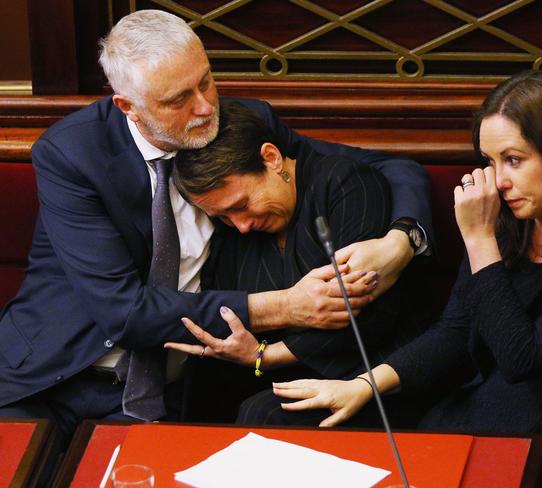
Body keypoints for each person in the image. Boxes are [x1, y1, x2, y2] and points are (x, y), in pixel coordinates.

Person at [0, 9, 432, 460]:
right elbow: (124, 312)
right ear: (128, 106)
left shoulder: (242, 124)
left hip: (161, 399)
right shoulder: (72, 155)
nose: (205, 107)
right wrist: (286, 305)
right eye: (178, 99)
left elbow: (387, 166)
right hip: (46, 377)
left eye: (205, 81)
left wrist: (402, 241)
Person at [272, 70, 542, 487]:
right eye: (490, 162)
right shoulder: (510, 215)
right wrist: (363, 385)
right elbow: (456, 331)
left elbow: (525, 357)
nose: (499, 181)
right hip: (491, 410)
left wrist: (478, 239)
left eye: (514, 159)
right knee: (276, 417)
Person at [164, 102, 428, 425]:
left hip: (376, 371)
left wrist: (264, 356)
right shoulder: (232, 234)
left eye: (243, 205)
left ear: (271, 158)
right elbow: (229, 318)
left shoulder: (345, 184)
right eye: (223, 217)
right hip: (281, 377)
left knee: (262, 415)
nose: (241, 225)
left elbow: (367, 316)